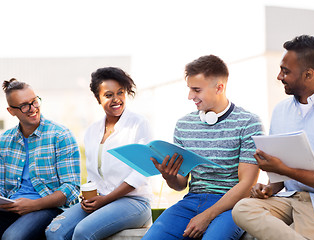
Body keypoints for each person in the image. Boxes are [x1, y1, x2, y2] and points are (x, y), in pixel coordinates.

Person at [232, 35, 314, 240]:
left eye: (286, 71)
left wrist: (283, 169)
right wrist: (267, 188)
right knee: (242, 209)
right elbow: (279, 178)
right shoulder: (281, 111)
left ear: (308, 75)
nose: (279, 76)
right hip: (288, 199)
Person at [142, 55, 264, 240]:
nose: (190, 96)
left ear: (219, 87)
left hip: (232, 205)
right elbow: (181, 184)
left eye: (196, 90)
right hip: (191, 202)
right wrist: (169, 176)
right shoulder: (184, 124)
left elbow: (247, 185)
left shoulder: (249, 123)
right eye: (189, 89)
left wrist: (207, 216)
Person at [46, 67, 153, 240]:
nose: (116, 99)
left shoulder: (138, 124)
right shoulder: (91, 131)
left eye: (121, 92)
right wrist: (89, 196)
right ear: (98, 98)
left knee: (82, 232)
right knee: (54, 231)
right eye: (109, 95)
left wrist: (107, 199)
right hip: (101, 199)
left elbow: (141, 173)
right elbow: (94, 175)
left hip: (134, 202)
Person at [0, 78, 80, 240]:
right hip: (12, 207)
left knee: (13, 237)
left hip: (49, 208)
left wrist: (32, 205)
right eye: (24, 106)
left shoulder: (60, 136)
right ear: (11, 111)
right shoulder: (5, 141)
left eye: (34, 102)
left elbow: (71, 188)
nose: (32, 109)